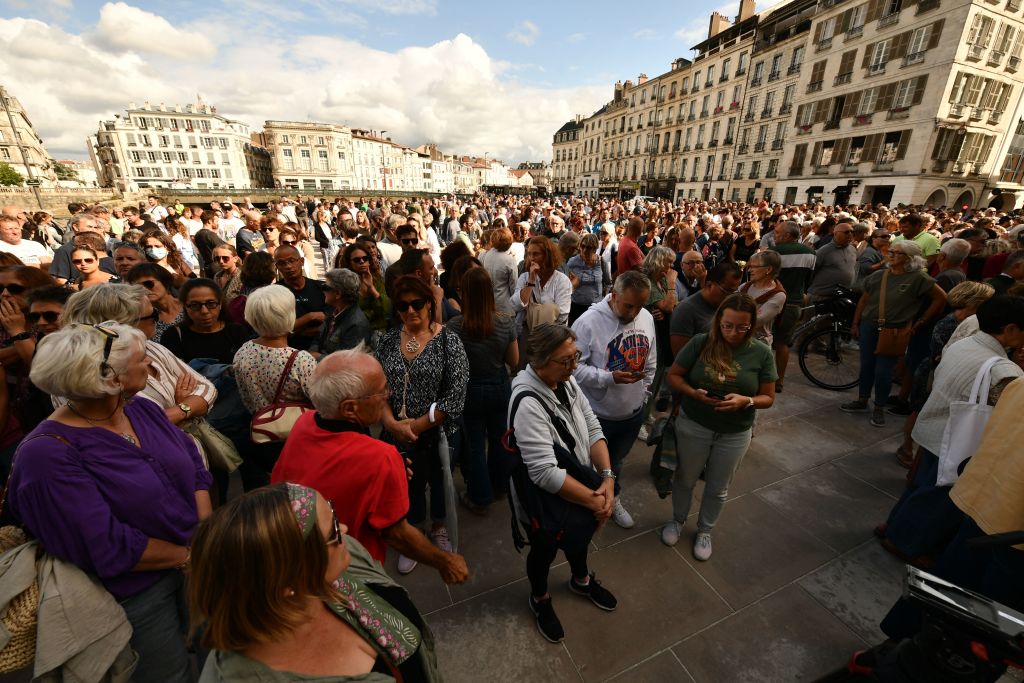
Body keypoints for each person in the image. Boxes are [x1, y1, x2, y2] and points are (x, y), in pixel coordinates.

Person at [7, 322, 212, 683]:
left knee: (217, 658)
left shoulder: (143, 411)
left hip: (198, 566)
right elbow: (103, 543)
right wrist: (189, 557)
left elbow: (193, 466)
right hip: (133, 595)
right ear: (109, 378)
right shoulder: (47, 455)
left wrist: (205, 533)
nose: (151, 366)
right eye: (141, 359)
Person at [188, 483, 442, 682]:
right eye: (331, 530)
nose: (343, 528)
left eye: (332, 512)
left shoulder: (342, 560)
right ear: (287, 581)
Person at [270, 350, 470, 584]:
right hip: (348, 572)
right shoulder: (381, 458)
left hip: (292, 557)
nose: (389, 394)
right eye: (381, 391)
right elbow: (398, 536)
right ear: (349, 409)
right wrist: (445, 561)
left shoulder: (305, 421)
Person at [510, 323, 617, 644]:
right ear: (540, 361)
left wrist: (608, 478)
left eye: (576, 357)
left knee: (578, 538)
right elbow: (544, 473)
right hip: (544, 500)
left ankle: (581, 580)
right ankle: (540, 598)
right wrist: (594, 501)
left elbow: (593, 426)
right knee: (544, 549)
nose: (575, 366)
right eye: (566, 360)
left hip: (579, 483)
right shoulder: (528, 402)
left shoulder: (566, 382)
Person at [662, 293, 777, 559]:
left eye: (741, 327)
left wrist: (746, 400)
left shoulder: (760, 352)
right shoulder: (701, 343)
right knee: (684, 478)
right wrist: (693, 393)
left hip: (734, 432)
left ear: (752, 325)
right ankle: (677, 520)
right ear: (718, 321)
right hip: (694, 424)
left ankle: (705, 530)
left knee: (718, 486)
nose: (733, 333)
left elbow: (768, 397)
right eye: (727, 325)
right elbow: (674, 376)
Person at [375, 275, 469, 575]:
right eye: (403, 306)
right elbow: (377, 389)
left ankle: (439, 526)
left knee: (440, 480)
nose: (411, 311)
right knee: (407, 483)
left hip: (438, 432)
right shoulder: (389, 341)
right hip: (397, 433)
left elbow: (456, 395)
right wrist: (391, 424)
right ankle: (414, 531)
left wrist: (415, 426)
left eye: (417, 303)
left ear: (429, 304)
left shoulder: (448, 341)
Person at [571, 270, 656, 530]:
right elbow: (572, 367)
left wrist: (644, 394)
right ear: (614, 295)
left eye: (640, 306)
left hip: (631, 413)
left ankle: (612, 497)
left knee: (616, 462)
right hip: (597, 414)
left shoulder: (647, 317)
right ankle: (585, 503)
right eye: (628, 305)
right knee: (586, 463)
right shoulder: (587, 322)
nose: (633, 313)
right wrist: (608, 378)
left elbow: (651, 358)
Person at [842, 241, 947, 426]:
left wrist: (921, 321)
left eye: (896, 253)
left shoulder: (918, 278)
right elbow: (864, 301)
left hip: (895, 330)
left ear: (909, 258)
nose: (890, 255)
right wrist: (855, 323)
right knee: (866, 365)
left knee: (884, 370)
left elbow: (941, 298)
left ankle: (879, 407)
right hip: (869, 325)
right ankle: (862, 399)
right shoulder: (880, 275)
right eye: (890, 251)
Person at [447, 267, 519, 513]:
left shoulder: (455, 327)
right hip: (499, 386)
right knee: (501, 440)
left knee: (475, 445)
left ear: (464, 293)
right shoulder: (505, 321)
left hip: (470, 391)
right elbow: (514, 360)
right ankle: (499, 487)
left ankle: (480, 497)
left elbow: (452, 366)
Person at [233, 284, 317, 490]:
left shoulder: (243, 352)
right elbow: (321, 402)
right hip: (299, 438)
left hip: (262, 435)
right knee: (301, 491)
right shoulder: (300, 359)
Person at [769, 220, 816, 391]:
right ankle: (779, 381)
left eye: (777, 232)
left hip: (772, 299)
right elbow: (809, 280)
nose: (774, 235)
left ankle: (763, 378)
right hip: (795, 302)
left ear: (787, 235)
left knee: (764, 339)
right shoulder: (811, 253)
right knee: (783, 343)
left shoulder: (774, 252)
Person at [160, 278, 249, 365]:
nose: (204, 311)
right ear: (185, 307)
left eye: (211, 304)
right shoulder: (173, 337)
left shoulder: (236, 332)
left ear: (220, 304)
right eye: (195, 305)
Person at [669, 262, 743, 356]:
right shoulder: (685, 310)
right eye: (727, 291)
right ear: (709, 285)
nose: (730, 297)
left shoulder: (726, 305)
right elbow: (681, 357)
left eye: (734, 292)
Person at [511, 236, 573, 341]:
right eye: (529, 254)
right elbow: (515, 305)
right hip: (526, 335)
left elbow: (562, 314)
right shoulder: (524, 277)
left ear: (547, 256)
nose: (531, 258)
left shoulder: (562, 280)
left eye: (536, 254)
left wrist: (536, 315)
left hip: (552, 337)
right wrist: (531, 281)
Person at [274, 244, 327, 351]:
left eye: (292, 260)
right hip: (290, 350)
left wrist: (298, 330)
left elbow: (331, 322)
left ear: (301, 262)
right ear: (277, 267)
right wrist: (310, 316)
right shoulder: (275, 293)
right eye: (282, 263)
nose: (288, 266)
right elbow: (279, 328)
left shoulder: (321, 287)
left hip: (323, 347)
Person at [310, 269, 372, 359]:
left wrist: (317, 357)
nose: (323, 291)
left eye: (325, 287)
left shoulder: (356, 324)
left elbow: (347, 361)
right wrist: (311, 354)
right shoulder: (333, 312)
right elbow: (318, 338)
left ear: (338, 294)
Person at [338, 242, 389, 339]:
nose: (362, 262)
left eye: (365, 259)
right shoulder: (344, 285)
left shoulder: (377, 280)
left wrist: (371, 288)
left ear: (369, 261)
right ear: (349, 263)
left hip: (380, 332)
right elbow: (348, 314)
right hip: (355, 333)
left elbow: (386, 309)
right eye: (357, 260)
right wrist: (371, 313)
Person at [128, 262, 186, 344]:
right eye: (138, 287)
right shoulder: (143, 319)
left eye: (148, 284)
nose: (144, 289)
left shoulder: (189, 305)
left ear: (164, 282)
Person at [740, 250, 787, 346]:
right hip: (738, 339)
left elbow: (757, 321)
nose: (749, 270)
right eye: (750, 266)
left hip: (758, 344)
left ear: (768, 270)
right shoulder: (745, 287)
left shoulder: (778, 295)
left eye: (754, 267)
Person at [566, 233, 610, 325]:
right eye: (583, 246)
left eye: (589, 247)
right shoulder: (572, 262)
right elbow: (565, 282)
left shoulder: (601, 262)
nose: (585, 250)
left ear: (595, 248)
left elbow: (608, 283)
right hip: (576, 306)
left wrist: (604, 300)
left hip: (595, 307)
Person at [807, 222, 857, 299]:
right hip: (821, 296)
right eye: (846, 232)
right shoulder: (824, 251)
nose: (850, 234)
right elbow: (811, 272)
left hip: (842, 296)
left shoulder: (852, 249)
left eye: (852, 232)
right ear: (836, 234)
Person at [480, 226, 517, 316]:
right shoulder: (509, 260)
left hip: (487, 301)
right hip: (504, 305)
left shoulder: (484, 254)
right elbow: (514, 285)